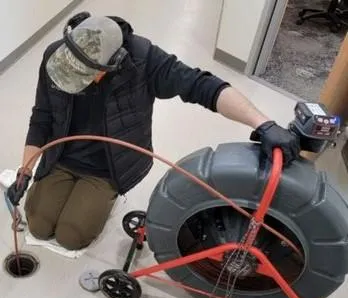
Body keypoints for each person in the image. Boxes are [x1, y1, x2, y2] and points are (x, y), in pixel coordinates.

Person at [7, 13, 300, 250]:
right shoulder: (56, 58)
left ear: (109, 66)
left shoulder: (144, 60)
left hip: (108, 167)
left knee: (72, 235)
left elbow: (203, 86)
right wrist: (25, 172)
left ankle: (101, 199)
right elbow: (41, 118)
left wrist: (263, 123)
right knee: (39, 226)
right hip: (61, 155)